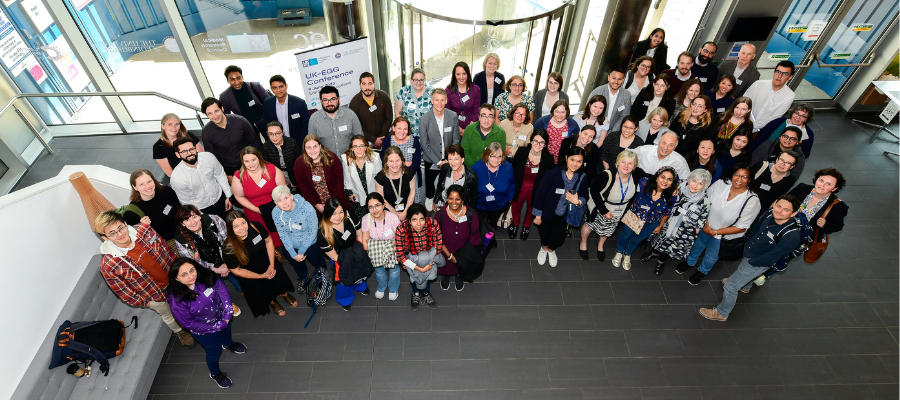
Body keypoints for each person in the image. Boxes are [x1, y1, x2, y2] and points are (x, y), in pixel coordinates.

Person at [94, 211, 195, 348]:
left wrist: (180, 270)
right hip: (154, 296)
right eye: (112, 233)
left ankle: (197, 318)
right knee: (169, 315)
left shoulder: (145, 230)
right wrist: (147, 303)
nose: (120, 234)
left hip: (174, 278)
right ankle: (181, 332)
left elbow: (166, 248)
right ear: (105, 238)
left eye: (121, 228)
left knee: (189, 300)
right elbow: (123, 292)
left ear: (125, 224)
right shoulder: (108, 266)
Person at [699, 194, 803, 321]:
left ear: (793, 213)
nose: (779, 211)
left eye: (786, 210)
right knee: (742, 269)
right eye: (778, 206)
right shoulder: (770, 213)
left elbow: (773, 257)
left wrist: (754, 262)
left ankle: (722, 313)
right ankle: (745, 286)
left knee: (730, 286)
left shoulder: (791, 236)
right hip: (751, 251)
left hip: (758, 261)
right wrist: (747, 244)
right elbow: (757, 228)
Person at [166, 258, 245, 389]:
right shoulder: (176, 300)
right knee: (214, 352)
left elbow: (221, 290)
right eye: (184, 274)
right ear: (176, 279)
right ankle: (215, 373)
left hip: (222, 317)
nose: (191, 276)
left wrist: (227, 313)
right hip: (204, 331)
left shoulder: (205, 276)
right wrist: (216, 326)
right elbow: (188, 323)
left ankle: (228, 344)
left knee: (227, 333)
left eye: (192, 270)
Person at [676, 163, 761, 285]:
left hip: (724, 235)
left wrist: (715, 232)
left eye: (744, 177)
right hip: (707, 225)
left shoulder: (752, 200)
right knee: (698, 244)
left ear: (750, 179)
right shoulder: (721, 184)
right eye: (737, 175)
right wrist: (705, 224)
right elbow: (705, 201)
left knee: (712, 255)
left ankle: (702, 271)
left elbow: (742, 227)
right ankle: (689, 262)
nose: (739, 179)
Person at [223, 210, 295, 317]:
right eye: (236, 226)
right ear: (230, 229)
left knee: (279, 280)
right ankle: (273, 302)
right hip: (251, 273)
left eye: (243, 223)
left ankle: (284, 294)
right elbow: (236, 271)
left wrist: (271, 264)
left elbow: (269, 241)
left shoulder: (255, 226)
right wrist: (261, 276)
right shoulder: (228, 248)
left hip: (268, 261)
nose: (242, 228)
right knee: (263, 289)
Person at [172, 205, 242, 311]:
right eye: (187, 220)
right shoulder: (181, 240)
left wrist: (227, 263)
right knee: (217, 286)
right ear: (182, 224)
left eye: (194, 217)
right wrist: (216, 269)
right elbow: (193, 264)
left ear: (199, 216)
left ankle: (243, 289)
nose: (192, 222)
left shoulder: (214, 220)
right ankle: (229, 302)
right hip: (205, 267)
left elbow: (228, 241)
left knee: (238, 276)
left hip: (225, 257)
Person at [643, 169, 712, 275]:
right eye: (694, 180)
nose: (695, 185)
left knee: (668, 247)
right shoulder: (679, 186)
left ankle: (660, 262)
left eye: (700, 183)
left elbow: (703, 217)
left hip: (684, 230)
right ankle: (653, 253)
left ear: (705, 186)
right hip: (667, 221)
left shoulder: (705, 200)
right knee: (658, 240)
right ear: (689, 179)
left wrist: (697, 229)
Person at [611, 166, 678, 270]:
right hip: (634, 217)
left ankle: (627, 254)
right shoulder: (644, 183)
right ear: (657, 177)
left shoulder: (672, 195)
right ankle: (619, 251)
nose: (665, 181)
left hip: (651, 223)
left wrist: (660, 225)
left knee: (637, 239)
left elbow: (666, 212)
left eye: (669, 179)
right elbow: (636, 170)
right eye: (663, 177)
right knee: (625, 235)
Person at [580, 150, 642, 262]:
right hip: (600, 207)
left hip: (620, 211)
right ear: (618, 162)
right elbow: (594, 191)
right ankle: (583, 242)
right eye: (623, 162)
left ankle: (600, 245)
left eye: (630, 163)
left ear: (634, 166)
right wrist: (604, 211)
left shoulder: (637, 174)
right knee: (589, 225)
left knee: (609, 229)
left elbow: (655, 178)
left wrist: (673, 187)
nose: (626, 166)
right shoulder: (607, 175)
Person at [533, 147, 589, 267]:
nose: (575, 164)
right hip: (547, 211)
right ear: (566, 158)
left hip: (563, 214)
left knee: (558, 238)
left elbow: (585, 196)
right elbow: (540, 194)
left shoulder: (582, 177)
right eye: (572, 159)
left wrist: (577, 201)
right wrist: (537, 214)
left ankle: (551, 250)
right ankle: (543, 248)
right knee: (544, 233)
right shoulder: (552, 173)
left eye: (579, 161)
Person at [317, 199, 373, 311]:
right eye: (333, 213)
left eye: (341, 212)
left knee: (360, 271)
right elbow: (333, 256)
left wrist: (358, 252)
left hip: (355, 249)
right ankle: (345, 298)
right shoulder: (323, 233)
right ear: (327, 214)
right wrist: (349, 260)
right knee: (344, 280)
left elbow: (359, 234)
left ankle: (360, 286)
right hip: (340, 257)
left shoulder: (350, 216)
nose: (338, 217)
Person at [272, 186, 328, 293]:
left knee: (319, 262)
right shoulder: (276, 213)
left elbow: (313, 231)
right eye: (279, 200)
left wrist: (301, 251)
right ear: (275, 203)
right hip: (291, 246)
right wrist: (293, 253)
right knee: (298, 265)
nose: (284, 203)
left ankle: (323, 277)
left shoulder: (307, 208)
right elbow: (282, 233)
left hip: (310, 244)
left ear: (292, 196)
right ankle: (303, 278)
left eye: (286, 198)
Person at [784, 168, 848, 260]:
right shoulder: (802, 188)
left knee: (782, 258)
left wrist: (825, 224)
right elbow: (785, 200)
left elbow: (838, 226)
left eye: (828, 184)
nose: (822, 185)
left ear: (834, 189)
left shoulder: (839, 206)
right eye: (821, 180)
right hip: (781, 226)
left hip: (799, 239)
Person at [231, 146, 287, 250]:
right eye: (246, 161)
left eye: (253, 160)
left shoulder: (271, 169)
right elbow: (238, 196)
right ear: (242, 162)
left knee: (284, 238)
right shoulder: (239, 176)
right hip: (254, 212)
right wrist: (257, 210)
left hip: (277, 209)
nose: (251, 164)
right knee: (263, 242)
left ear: (259, 158)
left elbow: (283, 189)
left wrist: (279, 205)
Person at [394, 203, 444, 310]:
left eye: (422, 219)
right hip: (411, 258)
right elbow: (400, 255)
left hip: (429, 256)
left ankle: (426, 293)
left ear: (426, 218)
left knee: (427, 275)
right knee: (415, 276)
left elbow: (438, 244)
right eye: (414, 220)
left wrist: (426, 261)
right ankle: (415, 293)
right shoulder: (401, 229)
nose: (419, 224)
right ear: (409, 220)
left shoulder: (433, 223)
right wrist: (419, 268)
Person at [170, 137, 234, 219]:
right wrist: (201, 215)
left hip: (221, 198)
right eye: (184, 151)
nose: (189, 153)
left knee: (232, 224)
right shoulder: (177, 178)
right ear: (178, 154)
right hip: (202, 209)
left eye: (191, 149)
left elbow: (220, 175)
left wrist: (229, 196)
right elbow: (186, 201)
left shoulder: (209, 157)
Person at [510, 130, 555, 240]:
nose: (538, 145)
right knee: (516, 206)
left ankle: (526, 226)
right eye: (535, 141)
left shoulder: (549, 158)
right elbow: (514, 169)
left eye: (541, 142)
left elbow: (548, 179)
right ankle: (515, 224)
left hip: (536, 188)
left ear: (545, 145)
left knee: (531, 209)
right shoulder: (521, 151)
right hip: (520, 185)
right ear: (531, 140)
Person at [201, 97, 263, 177]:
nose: (214, 116)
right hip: (228, 169)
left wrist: (260, 164)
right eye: (210, 113)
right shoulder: (206, 132)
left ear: (222, 108)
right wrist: (225, 176)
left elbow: (255, 143)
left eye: (216, 111)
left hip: (249, 164)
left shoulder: (240, 121)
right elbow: (212, 157)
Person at [293, 135, 352, 217]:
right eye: (309, 148)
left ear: (320, 146)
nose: (312, 150)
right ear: (304, 149)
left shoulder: (331, 158)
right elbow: (303, 187)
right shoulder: (299, 163)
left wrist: (332, 204)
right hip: (317, 206)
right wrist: (316, 204)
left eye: (315, 146)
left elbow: (339, 183)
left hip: (336, 201)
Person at [436, 185, 481, 291]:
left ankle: (459, 276)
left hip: (464, 252)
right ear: (447, 198)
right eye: (451, 198)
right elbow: (437, 237)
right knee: (446, 267)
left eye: (458, 199)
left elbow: (474, 238)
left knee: (460, 267)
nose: (454, 202)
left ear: (462, 199)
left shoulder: (471, 213)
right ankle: (445, 276)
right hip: (445, 250)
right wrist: (449, 256)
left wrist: (462, 256)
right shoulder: (440, 214)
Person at [420, 88, 459, 208]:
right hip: (431, 158)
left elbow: (456, 140)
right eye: (436, 100)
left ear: (446, 101)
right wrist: (437, 161)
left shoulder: (452, 116)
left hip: (448, 158)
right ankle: (430, 197)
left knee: (446, 181)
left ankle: (442, 198)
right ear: (432, 101)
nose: (439, 103)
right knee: (430, 181)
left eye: (442, 100)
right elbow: (424, 144)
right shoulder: (424, 119)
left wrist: (450, 159)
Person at [123, 169, 182, 247]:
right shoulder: (131, 213)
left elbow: (180, 210)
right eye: (141, 184)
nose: (147, 186)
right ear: (135, 187)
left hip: (182, 232)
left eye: (149, 181)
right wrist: (142, 228)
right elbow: (134, 239)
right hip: (164, 244)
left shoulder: (166, 191)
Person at [360, 192, 402, 300]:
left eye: (377, 205)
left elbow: (400, 241)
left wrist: (375, 245)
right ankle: (382, 286)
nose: (375, 210)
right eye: (371, 207)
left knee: (394, 271)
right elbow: (365, 245)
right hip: (380, 251)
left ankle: (393, 288)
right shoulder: (366, 219)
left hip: (391, 250)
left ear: (383, 205)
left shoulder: (393, 218)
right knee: (379, 272)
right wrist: (388, 244)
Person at [472, 142, 516, 235]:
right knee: (480, 226)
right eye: (493, 156)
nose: (496, 160)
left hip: (499, 205)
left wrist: (509, 198)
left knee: (493, 224)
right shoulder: (476, 168)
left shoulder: (508, 167)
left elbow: (512, 183)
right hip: (480, 205)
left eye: (499, 156)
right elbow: (471, 187)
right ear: (487, 155)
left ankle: (490, 238)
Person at [309, 85, 364, 155]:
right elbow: (311, 144)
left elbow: (360, 138)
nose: (329, 103)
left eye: (333, 99)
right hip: (327, 162)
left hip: (350, 160)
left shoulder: (350, 115)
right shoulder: (314, 119)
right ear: (321, 102)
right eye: (325, 100)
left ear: (339, 99)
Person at [218, 65, 270, 137]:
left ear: (242, 77)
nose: (236, 82)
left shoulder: (256, 86)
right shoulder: (225, 96)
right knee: (254, 147)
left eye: (238, 78)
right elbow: (226, 116)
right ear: (227, 80)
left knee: (273, 143)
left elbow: (269, 104)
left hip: (264, 120)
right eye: (232, 79)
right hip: (247, 126)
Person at [750, 103, 816, 158]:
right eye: (797, 113)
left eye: (803, 116)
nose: (798, 117)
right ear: (792, 113)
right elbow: (759, 139)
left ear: (807, 119)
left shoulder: (808, 135)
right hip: (763, 154)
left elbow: (805, 155)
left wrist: (798, 147)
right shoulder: (777, 122)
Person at [744, 61, 796, 131]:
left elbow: (774, 117)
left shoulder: (789, 95)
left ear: (790, 77)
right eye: (778, 72)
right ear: (774, 72)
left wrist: (752, 126)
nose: (779, 76)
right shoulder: (758, 84)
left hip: (761, 129)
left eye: (785, 74)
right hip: (743, 121)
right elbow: (744, 102)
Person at [342, 135, 382, 223]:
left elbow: (380, 178)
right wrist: (349, 192)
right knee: (363, 222)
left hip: (373, 193)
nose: (358, 149)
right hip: (357, 196)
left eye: (361, 146)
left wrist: (378, 195)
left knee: (375, 220)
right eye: (355, 146)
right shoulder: (346, 159)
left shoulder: (375, 157)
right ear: (352, 148)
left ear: (366, 147)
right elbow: (347, 178)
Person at [349, 72, 394, 148]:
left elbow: (389, 118)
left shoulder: (384, 97)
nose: (367, 87)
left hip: (385, 140)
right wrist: (373, 140)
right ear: (360, 85)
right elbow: (357, 126)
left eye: (370, 84)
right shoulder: (354, 103)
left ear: (374, 84)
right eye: (364, 84)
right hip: (366, 143)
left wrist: (381, 138)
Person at [381, 116, 422, 199]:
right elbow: (385, 163)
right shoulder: (387, 141)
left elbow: (416, 164)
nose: (402, 132)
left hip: (411, 179)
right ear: (393, 128)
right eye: (399, 128)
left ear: (408, 130)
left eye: (405, 129)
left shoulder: (414, 141)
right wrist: (404, 163)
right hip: (393, 179)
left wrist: (395, 164)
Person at [154, 113, 202, 178]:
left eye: (176, 124)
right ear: (163, 126)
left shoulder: (188, 135)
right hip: (182, 178)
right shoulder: (158, 147)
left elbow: (202, 155)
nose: (174, 128)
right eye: (170, 125)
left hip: (199, 171)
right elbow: (170, 173)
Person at [376, 146, 417, 221]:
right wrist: (394, 212)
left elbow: (412, 192)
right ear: (386, 162)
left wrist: (405, 212)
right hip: (388, 212)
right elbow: (381, 198)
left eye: (397, 160)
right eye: (391, 161)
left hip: (408, 209)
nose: (394, 164)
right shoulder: (380, 178)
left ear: (402, 161)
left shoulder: (409, 173)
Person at [263, 74, 309, 141]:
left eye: (281, 87)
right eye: (275, 88)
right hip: (277, 142)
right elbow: (267, 124)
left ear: (286, 86)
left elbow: (306, 125)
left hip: (297, 142)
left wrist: (301, 143)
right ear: (271, 89)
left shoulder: (299, 103)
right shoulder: (268, 103)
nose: (278, 90)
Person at [433, 144, 478, 210]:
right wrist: (436, 200)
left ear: (462, 159)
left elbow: (473, 199)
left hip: (461, 209)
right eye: (450, 159)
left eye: (456, 159)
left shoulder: (471, 176)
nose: (453, 163)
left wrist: (469, 213)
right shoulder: (445, 168)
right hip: (445, 204)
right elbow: (440, 185)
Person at [394, 68, 435, 139]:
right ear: (411, 79)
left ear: (424, 80)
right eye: (416, 80)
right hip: (408, 135)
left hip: (427, 134)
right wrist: (402, 131)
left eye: (421, 80)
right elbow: (397, 113)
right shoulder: (404, 92)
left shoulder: (431, 92)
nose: (418, 83)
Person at [588, 67, 632, 132]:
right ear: (609, 78)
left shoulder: (626, 95)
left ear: (623, 80)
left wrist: (612, 132)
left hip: (613, 131)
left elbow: (624, 116)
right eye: (614, 78)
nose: (616, 82)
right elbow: (588, 110)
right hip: (595, 129)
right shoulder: (597, 92)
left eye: (619, 79)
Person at [262, 121, 302, 188]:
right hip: (277, 180)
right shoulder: (266, 147)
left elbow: (299, 165)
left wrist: (295, 181)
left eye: (277, 133)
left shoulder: (292, 143)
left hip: (294, 178)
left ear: (282, 132)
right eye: (271, 134)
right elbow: (267, 168)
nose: (274, 137)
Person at [446, 61, 481, 136]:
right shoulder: (448, 90)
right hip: (454, 126)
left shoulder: (475, 89)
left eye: (464, 74)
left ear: (467, 74)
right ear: (454, 75)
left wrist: (469, 129)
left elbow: (477, 111)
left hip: (472, 127)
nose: (461, 77)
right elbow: (447, 112)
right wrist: (458, 128)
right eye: (458, 74)